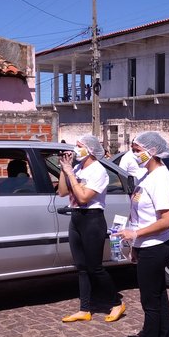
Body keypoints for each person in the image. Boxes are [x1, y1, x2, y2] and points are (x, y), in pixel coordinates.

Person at [115, 131, 169, 337]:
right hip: (147, 246)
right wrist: (135, 244)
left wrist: (136, 234)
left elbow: (167, 220)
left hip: (156, 247)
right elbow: (141, 214)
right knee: (159, 300)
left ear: (152, 151)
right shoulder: (148, 176)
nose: (133, 154)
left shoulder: (160, 179)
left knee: (151, 305)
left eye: (136, 149)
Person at [58, 135, 125, 324]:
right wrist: (64, 170)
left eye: (79, 146)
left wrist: (71, 174)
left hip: (92, 219)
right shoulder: (77, 168)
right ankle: (84, 309)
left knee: (95, 267)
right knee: (81, 267)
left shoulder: (98, 171)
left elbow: (83, 198)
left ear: (90, 150)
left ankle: (116, 302)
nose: (75, 149)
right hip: (76, 218)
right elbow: (62, 192)